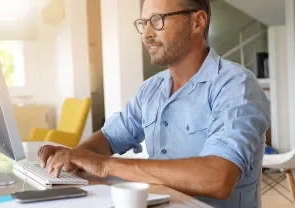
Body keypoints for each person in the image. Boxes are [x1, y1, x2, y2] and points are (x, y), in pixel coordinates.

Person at [37, 0, 270, 207]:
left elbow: (218, 178)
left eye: (157, 20)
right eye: (143, 22)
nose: (147, 34)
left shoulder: (236, 85)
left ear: (197, 22)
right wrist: (73, 156)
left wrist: (105, 165)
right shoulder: (151, 89)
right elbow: (109, 138)